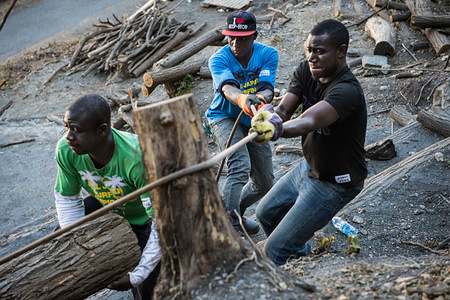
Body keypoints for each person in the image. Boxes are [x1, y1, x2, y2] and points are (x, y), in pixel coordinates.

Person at [251, 19, 367, 265]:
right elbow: (284, 110)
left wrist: (275, 130)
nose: (312, 57)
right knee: (266, 213)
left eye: (319, 51)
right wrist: (269, 116)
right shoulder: (306, 70)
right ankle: (302, 258)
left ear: (341, 52)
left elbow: (307, 121)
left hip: (335, 183)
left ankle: (290, 272)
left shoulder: (347, 91)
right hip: (309, 167)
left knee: (273, 251)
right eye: (309, 50)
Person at [54, 94, 161, 299]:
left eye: (76, 130)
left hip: (145, 219)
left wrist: (135, 276)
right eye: (67, 127)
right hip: (107, 206)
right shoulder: (66, 150)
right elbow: (68, 199)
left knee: (148, 286)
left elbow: (162, 223)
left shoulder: (138, 157)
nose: (68, 136)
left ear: (102, 130)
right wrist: (77, 242)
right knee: (60, 238)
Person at [205, 10, 279, 234]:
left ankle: (234, 212)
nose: (235, 43)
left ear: (254, 36)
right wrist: (243, 99)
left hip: (253, 117)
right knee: (239, 166)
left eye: (243, 37)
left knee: (265, 182)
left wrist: (262, 100)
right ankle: (231, 228)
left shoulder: (268, 54)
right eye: (231, 37)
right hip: (223, 116)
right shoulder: (218, 58)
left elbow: (267, 88)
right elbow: (227, 87)